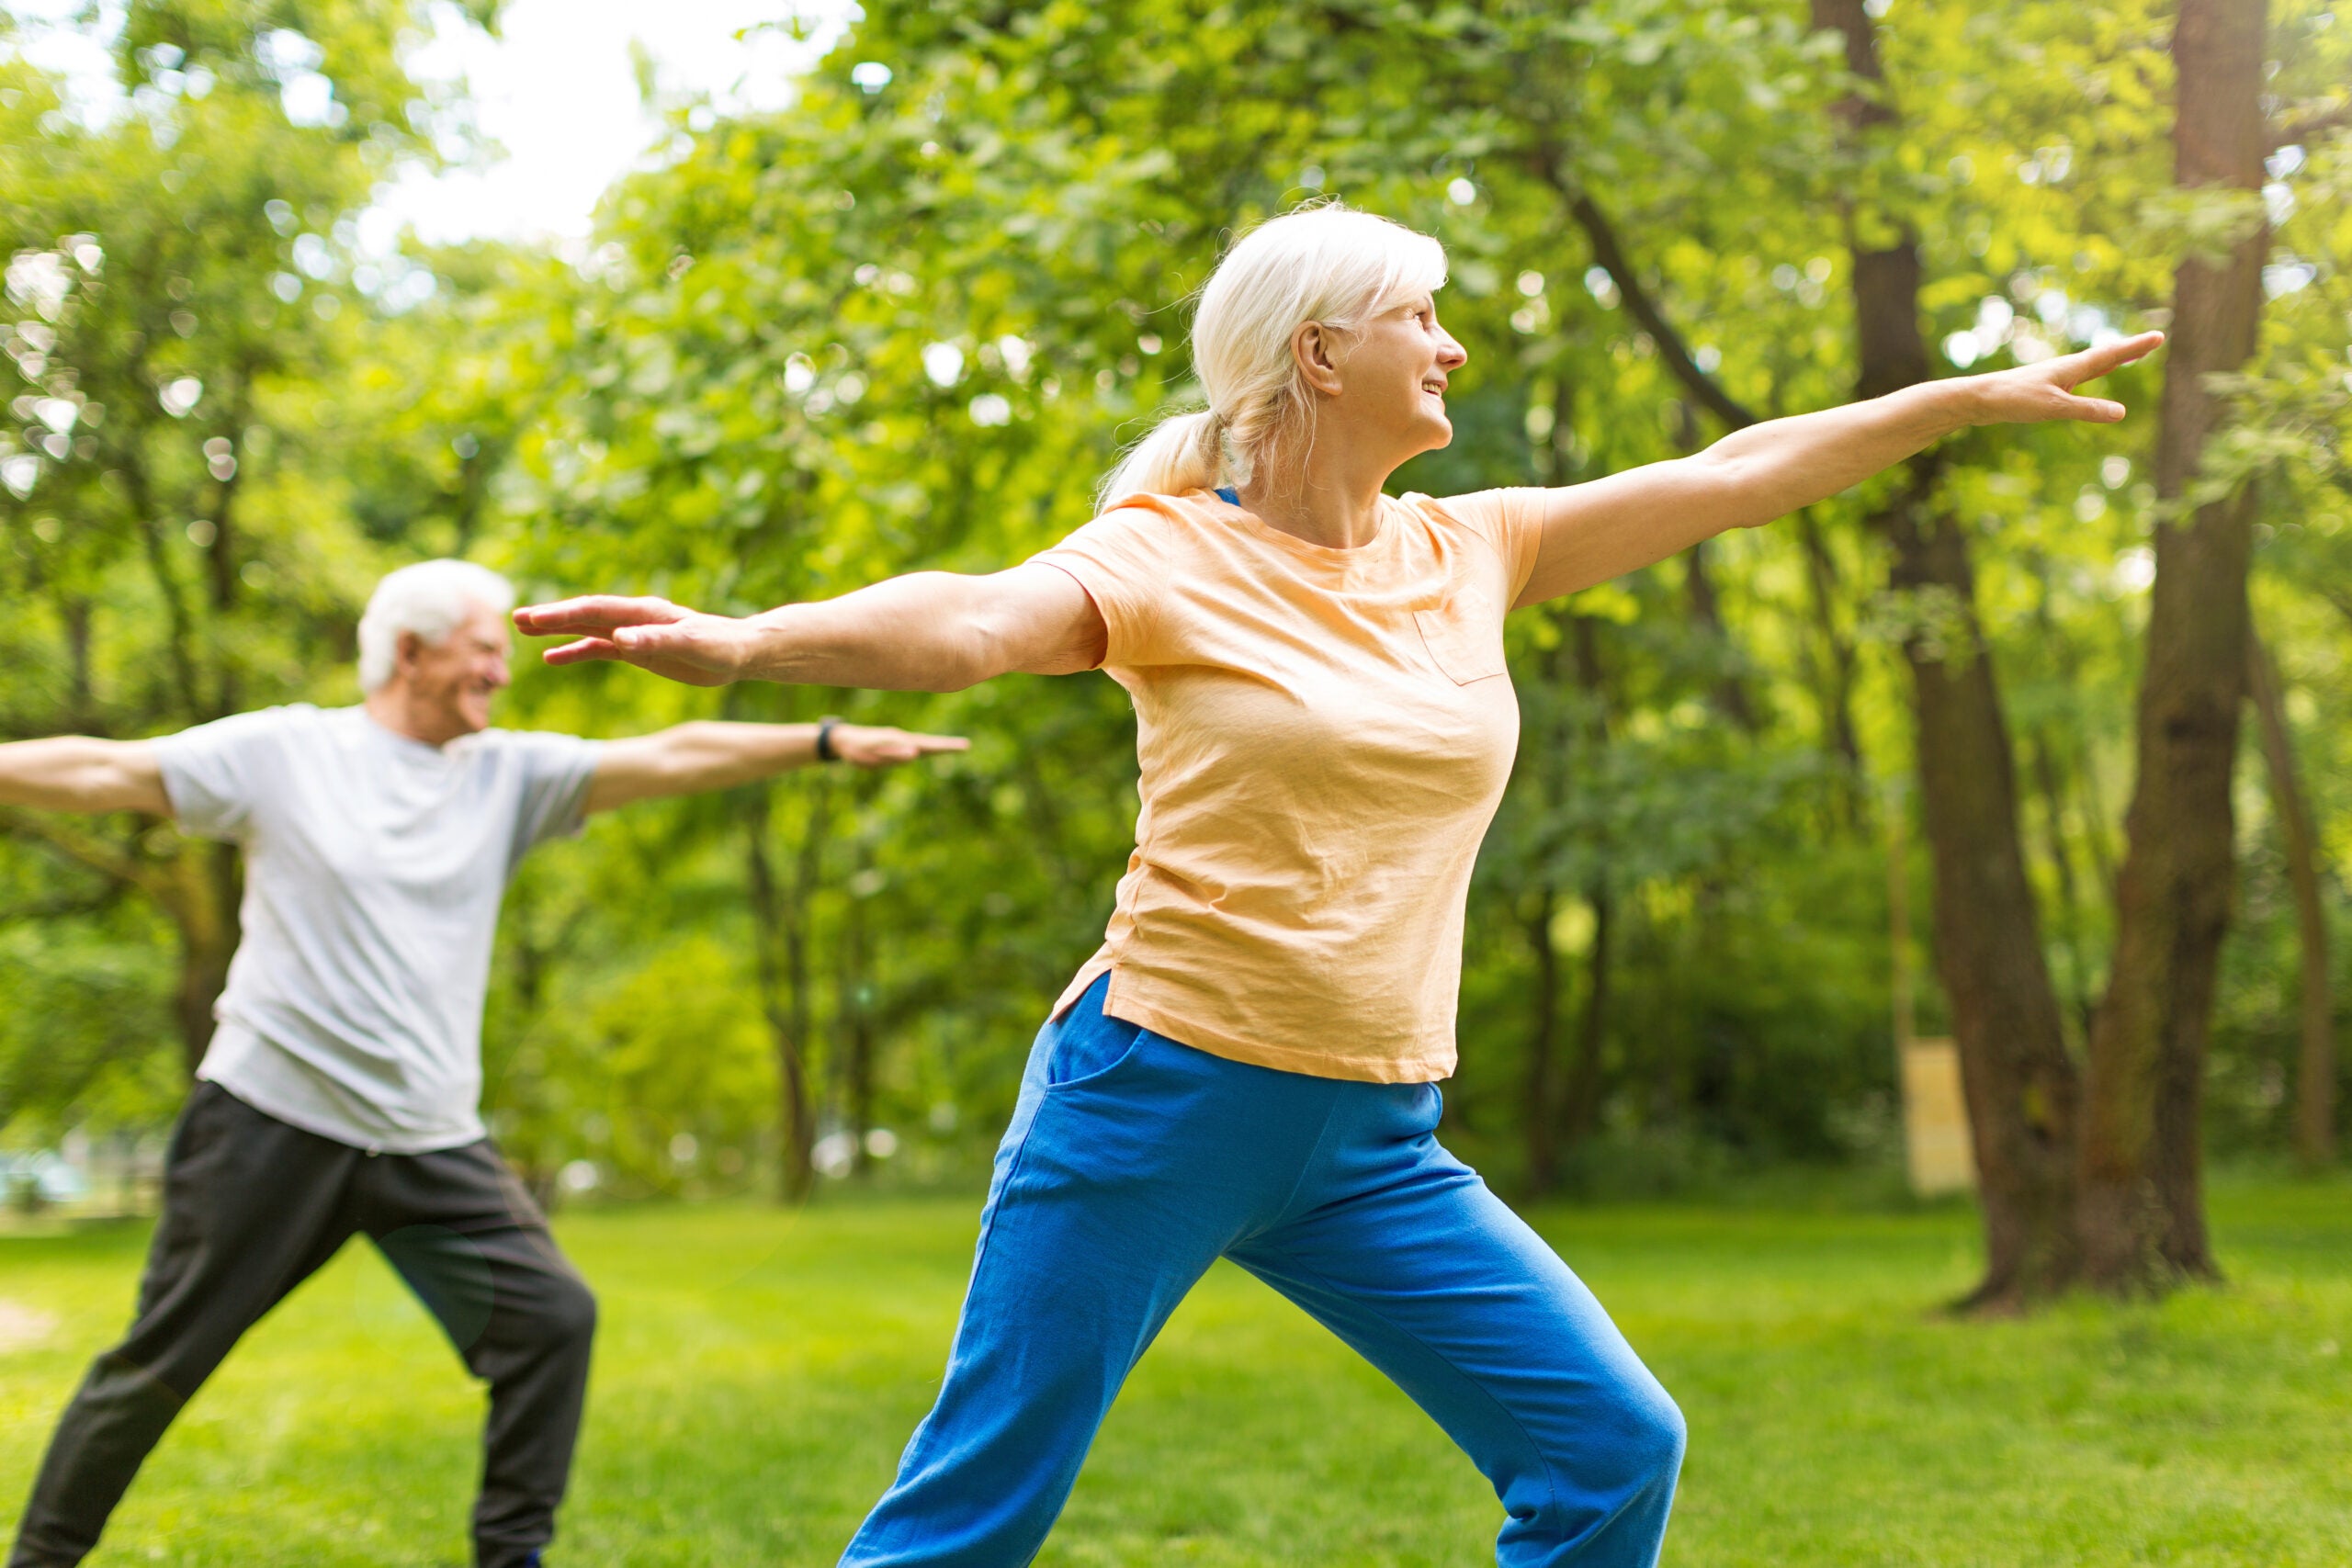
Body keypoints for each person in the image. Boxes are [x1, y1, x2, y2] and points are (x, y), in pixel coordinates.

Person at [514, 205, 2162, 1567]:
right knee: (969, 1522)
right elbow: (969, 622)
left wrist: (1957, 398)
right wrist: (746, 640)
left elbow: (1739, 469)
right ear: (1320, 353)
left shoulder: (1475, 548)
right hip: (1154, 1094)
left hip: (1373, 1137)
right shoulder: (1164, 553)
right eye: (1422, 317)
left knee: (1609, 1449)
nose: (1450, 347)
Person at [3, 558, 966, 1568]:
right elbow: (108, 771)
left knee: (551, 1322)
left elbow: (673, 754)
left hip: (426, 1139)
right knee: (159, 1363)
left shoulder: (508, 777)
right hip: (268, 1121)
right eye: (482, 652)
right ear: (408, 654)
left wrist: (819, 740)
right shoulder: (287, 752)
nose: (501, 676)